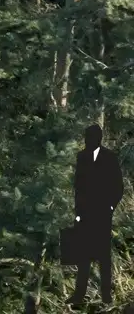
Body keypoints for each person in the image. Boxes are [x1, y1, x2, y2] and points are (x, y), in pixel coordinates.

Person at [73, 125, 124, 309]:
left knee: (103, 255)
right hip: (85, 214)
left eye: (92, 137)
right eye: (87, 137)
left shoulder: (109, 158)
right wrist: (78, 213)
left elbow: (119, 186)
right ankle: (79, 294)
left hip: (103, 213)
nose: (88, 140)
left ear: (99, 138)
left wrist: (110, 206)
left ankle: (106, 294)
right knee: (84, 255)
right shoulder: (82, 157)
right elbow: (78, 188)